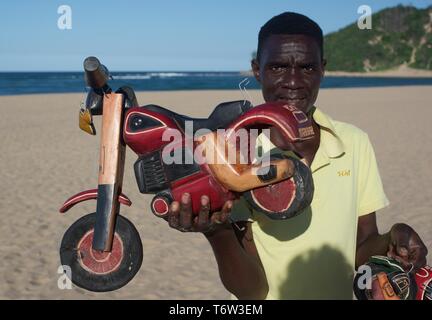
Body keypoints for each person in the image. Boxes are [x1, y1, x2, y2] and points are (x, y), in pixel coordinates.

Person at [164, 12, 428, 299]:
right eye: (277, 67)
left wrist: (393, 238)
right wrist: (217, 233)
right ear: (257, 70)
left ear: (322, 70)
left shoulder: (354, 142)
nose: (293, 81)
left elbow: (361, 248)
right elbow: (251, 290)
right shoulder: (235, 153)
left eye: (307, 68)